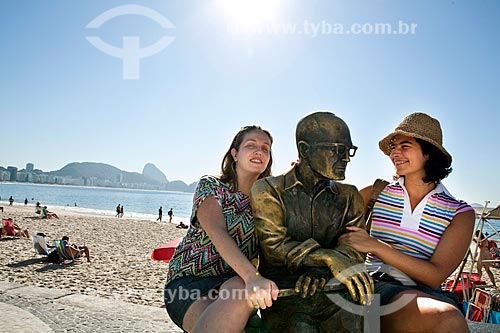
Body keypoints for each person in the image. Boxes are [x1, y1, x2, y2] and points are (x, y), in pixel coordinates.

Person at [339, 112, 475, 332]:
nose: (394, 153)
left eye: (405, 146)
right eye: (393, 147)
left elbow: (434, 276)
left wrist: (374, 245)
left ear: (428, 153)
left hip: (428, 294)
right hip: (376, 285)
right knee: (448, 319)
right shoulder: (374, 194)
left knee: (448, 318)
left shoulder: (460, 213)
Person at [251, 112, 371, 332]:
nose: (345, 158)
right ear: (305, 149)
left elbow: (355, 248)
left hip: (334, 292)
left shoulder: (350, 196)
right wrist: (327, 256)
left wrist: (322, 270)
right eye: (338, 150)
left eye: (349, 151)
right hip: (286, 297)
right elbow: (274, 246)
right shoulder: (268, 190)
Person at [164, 125, 278, 332]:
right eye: (250, 145)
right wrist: (253, 277)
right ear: (235, 154)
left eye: (265, 148)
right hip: (190, 285)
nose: (259, 151)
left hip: (236, 283)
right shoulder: (212, 186)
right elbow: (216, 230)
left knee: (240, 289)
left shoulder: (268, 203)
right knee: (242, 288)